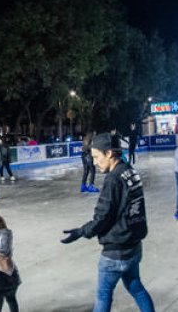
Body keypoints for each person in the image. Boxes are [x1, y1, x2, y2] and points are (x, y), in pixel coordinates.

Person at [60, 133, 154, 312]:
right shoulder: (129, 170)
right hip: (134, 247)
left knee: (103, 295)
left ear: (109, 153)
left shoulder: (113, 179)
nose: (94, 162)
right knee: (136, 287)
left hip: (116, 252)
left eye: (96, 157)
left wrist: (81, 231)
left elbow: (102, 218)